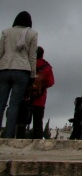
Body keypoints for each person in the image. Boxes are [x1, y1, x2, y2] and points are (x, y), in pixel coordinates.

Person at [0, 11, 38, 139]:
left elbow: (1, 51)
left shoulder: (6, 32)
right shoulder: (32, 34)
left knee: (1, 103)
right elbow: (32, 56)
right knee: (14, 105)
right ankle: (9, 135)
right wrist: (33, 75)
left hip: (4, 69)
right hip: (22, 71)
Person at [27, 47, 55, 139]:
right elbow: (51, 82)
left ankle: (17, 135)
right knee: (38, 121)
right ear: (42, 54)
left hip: (26, 96)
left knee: (22, 118)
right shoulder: (46, 66)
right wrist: (41, 86)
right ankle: (37, 140)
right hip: (39, 97)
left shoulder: (27, 64)